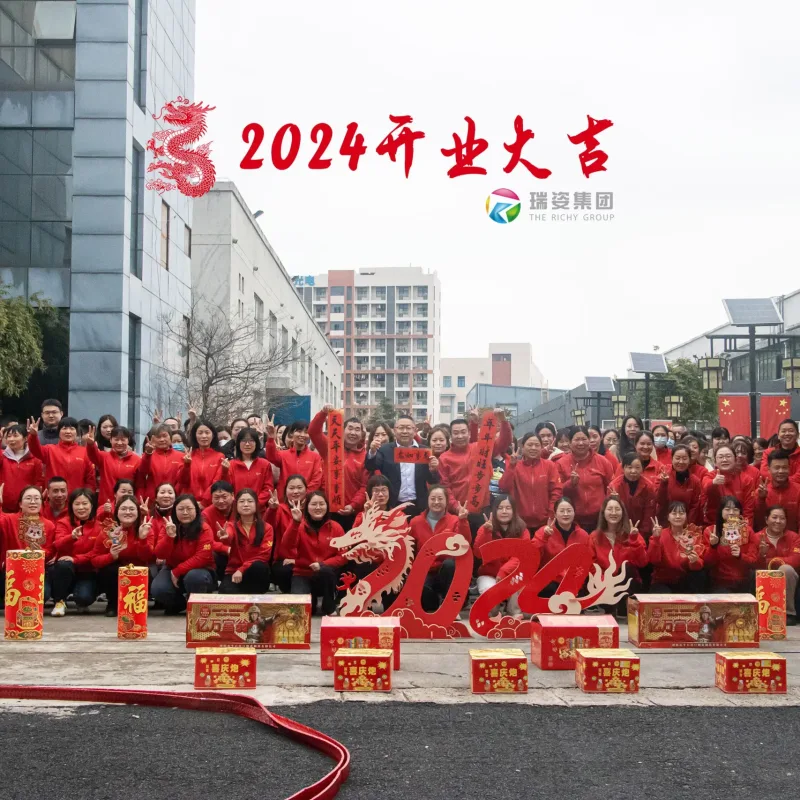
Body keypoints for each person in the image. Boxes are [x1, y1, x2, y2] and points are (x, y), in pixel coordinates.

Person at [437, 411, 512, 522]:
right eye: (456, 433)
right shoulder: (444, 458)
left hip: (483, 508)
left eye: (463, 432)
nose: (460, 436)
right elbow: (445, 487)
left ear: (469, 433)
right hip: (458, 511)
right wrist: (457, 508)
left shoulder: (480, 448)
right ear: (450, 436)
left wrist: (503, 420)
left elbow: (504, 442)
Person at [408, 485, 471, 613]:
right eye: (433, 498)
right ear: (428, 500)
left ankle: (450, 605)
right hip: (425, 571)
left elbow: (465, 543)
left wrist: (463, 522)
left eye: (440, 499)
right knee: (425, 601)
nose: (436, 502)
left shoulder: (454, 520)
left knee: (449, 564)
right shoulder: (415, 522)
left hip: (446, 570)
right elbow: (409, 550)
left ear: (447, 501)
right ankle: (437, 601)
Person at [285, 491, 347, 615]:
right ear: (307, 507)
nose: (318, 507)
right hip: (303, 573)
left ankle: (328, 606)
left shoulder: (336, 527)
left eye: (321, 504)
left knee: (327, 571)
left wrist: (323, 564)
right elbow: (287, 547)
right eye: (313, 504)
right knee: (301, 612)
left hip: (325, 574)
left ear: (327, 506)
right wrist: (295, 522)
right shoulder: (299, 526)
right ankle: (311, 602)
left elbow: (343, 556)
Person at [151, 494, 215, 614]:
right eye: (180, 509)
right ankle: (180, 603)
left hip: (200, 570)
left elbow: (202, 557)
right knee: (158, 589)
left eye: (189, 509)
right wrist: (169, 538)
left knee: (195, 577)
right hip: (172, 567)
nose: (185, 512)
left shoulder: (204, 529)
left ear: (196, 510)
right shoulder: (168, 527)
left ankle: (198, 605)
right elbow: (159, 553)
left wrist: (178, 571)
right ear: (174, 511)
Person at [91, 496, 154, 616]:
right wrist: (111, 556)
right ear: (117, 512)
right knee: (108, 570)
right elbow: (94, 559)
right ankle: (113, 604)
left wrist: (142, 540)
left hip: (139, 573)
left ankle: (137, 604)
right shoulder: (108, 531)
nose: (128, 512)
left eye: (132, 509)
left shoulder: (145, 528)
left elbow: (148, 557)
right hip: (116, 573)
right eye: (123, 509)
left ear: (137, 512)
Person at [365, 415, 438, 516]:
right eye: (401, 428)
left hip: (419, 505)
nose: (404, 431)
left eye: (408, 428)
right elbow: (371, 467)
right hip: (393, 505)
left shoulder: (424, 451)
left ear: (415, 430)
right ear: (395, 430)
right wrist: (372, 452)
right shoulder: (385, 450)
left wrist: (433, 470)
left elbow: (432, 480)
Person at [309, 405, 368, 530]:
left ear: (362, 434)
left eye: (357, 430)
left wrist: (353, 506)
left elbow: (365, 486)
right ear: (342, 430)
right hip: (328, 510)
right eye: (350, 428)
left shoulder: (366, 456)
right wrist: (323, 413)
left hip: (353, 513)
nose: (353, 432)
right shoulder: (329, 447)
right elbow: (313, 432)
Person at [589, 496, 648, 614]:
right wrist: (604, 583)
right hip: (603, 585)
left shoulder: (631, 533)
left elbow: (643, 562)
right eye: (610, 509)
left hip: (629, 584)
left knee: (626, 567)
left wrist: (634, 540)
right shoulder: (595, 536)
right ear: (603, 512)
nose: (614, 513)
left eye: (617, 509)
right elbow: (591, 565)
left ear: (623, 512)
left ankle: (624, 607)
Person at [472, 495, 530, 617]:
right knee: (491, 604)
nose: (504, 511)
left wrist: (504, 571)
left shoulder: (522, 529)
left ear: (514, 510)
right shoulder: (486, 527)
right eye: (500, 508)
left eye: (508, 508)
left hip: (513, 574)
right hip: (489, 574)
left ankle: (513, 615)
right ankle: (495, 614)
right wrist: (486, 533)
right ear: (494, 510)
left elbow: (523, 555)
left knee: (517, 595)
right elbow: (478, 553)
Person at [0, 486, 56, 601]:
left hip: (35, 572)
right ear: (20, 503)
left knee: (43, 595)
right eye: (28, 498)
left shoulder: (48, 525)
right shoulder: (9, 520)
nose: (33, 502)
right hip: (11, 572)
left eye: (37, 498)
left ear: (41, 502)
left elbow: (50, 551)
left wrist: (39, 552)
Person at [50, 488, 99, 616]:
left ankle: (80, 600)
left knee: (84, 598)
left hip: (87, 571)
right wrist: (70, 537)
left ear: (92, 505)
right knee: (63, 564)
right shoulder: (63, 522)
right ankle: (59, 601)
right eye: (77, 504)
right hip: (66, 569)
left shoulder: (99, 525)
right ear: (71, 506)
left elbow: (97, 552)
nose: (81, 507)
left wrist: (76, 559)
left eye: (85, 503)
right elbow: (57, 544)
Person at [498, 432, 561, 532]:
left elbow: (556, 491)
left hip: (544, 522)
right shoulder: (515, 466)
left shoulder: (549, 465)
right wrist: (511, 467)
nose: (533, 448)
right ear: (523, 447)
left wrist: (551, 514)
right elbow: (503, 486)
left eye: (537, 445)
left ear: (541, 448)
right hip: (519, 523)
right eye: (530, 445)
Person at [557, 426, 615, 531]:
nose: (580, 443)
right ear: (570, 443)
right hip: (572, 520)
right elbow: (557, 492)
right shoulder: (561, 463)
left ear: (589, 441)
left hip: (599, 519)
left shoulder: (603, 461)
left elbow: (611, 488)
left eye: (584, 439)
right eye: (576, 440)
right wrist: (571, 484)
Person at [219, 488, 274, 594]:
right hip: (234, 572)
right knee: (225, 593)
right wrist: (226, 535)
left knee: (259, 566)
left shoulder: (267, 528)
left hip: (255, 573)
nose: (245, 504)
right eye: (241, 501)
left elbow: (264, 556)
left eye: (250, 501)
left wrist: (242, 569)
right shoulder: (231, 525)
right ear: (236, 505)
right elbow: (229, 534)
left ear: (256, 504)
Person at [532, 496, 590, 597]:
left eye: (569, 510)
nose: (566, 514)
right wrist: (544, 538)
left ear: (574, 513)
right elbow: (532, 555)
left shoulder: (583, 535)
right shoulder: (544, 531)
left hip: (575, 581)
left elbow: (586, 562)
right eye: (562, 511)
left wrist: (575, 580)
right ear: (555, 514)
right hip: (550, 581)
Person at [648, 501, 706, 592]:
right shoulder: (660, 534)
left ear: (686, 516)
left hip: (684, 580)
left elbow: (699, 565)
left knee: (699, 575)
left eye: (681, 513)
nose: (678, 516)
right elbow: (654, 560)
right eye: (674, 513)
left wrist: (694, 561)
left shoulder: (692, 535)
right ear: (668, 517)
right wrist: (656, 539)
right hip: (662, 581)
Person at [27, 416, 95, 493]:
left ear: (77, 433)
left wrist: (87, 496)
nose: (68, 431)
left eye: (72, 429)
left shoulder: (85, 452)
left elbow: (90, 480)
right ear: (59, 432)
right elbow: (35, 449)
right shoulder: (49, 449)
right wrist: (33, 436)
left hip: (77, 500)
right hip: (54, 497)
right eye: (64, 428)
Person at [756, 505, 800, 624]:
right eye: (774, 517)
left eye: (782, 518)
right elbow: (753, 562)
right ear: (766, 520)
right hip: (763, 577)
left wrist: (772, 561)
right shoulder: (757, 537)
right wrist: (762, 556)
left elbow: (796, 559)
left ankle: (788, 613)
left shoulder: (794, 537)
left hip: (789, 577)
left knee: (786, 569)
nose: (778, 521)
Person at [703, 495, 757, 592]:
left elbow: (754, 561)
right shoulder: (711, 531)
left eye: (735, 509)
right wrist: (713, 546)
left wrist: (741, 556)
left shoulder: (748, 531)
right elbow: (707, 564)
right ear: (721, 512)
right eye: (727, 509)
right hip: (719, 583)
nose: (731, 513)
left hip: (744, 581)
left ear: (740, 512)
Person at [265, 474, 308, 593]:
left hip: (308, 560)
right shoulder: (280, 508)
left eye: (299, 487)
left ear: (306, 489)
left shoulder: (312, 509)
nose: (295, 491)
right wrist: (272, 509)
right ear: (285, 490)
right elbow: (268, 527)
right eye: (291, 488)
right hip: (284, 560)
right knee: (284, 570)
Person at [215, 427, 273, 511]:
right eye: (244, 441)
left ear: (256, 443)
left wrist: (255, 503)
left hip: (259, 510)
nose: (247, 444)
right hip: (236, 510)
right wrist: (224, 472)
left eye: (251, 441)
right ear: (238, 443)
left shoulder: (264, 464)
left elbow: (268, 488)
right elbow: (226, 488)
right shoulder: (231, 464)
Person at [266, 418, 323, 499]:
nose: (302, 435)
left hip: (305, 501)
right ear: (292, 433)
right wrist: (271, 438)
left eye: (306, 432)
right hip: (285, 499)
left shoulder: (315, 457)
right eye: (299, 431)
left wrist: (305, 495)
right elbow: (270, 456)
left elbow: (316, 480)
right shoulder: (283, 455)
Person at [85, 424, 140, 507]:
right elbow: (92, 454)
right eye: (116, 439)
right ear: (110, 440)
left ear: (128, 441)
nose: (119, 443)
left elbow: (139, 484)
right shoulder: (104, 457)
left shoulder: (137, 460)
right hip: (105, 505)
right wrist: (91, 444)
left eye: (123, 440)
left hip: (127, 505)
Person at [701, 444, 756, 525]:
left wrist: (746, 531)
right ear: (715, 462)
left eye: (728, 456)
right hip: (713, 525)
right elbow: (705, 487)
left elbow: (748, 510)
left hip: (738, 526)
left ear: (735, 459)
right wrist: (713, 483)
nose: (724, 460)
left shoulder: (746, 480)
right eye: (720, 457)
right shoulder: (710, 476)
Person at [608, 452, 657, 536]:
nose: (633, 471)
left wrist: (641, 534)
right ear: (623, 468)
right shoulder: (614, 486)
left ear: (642, 469)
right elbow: (609, 512)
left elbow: (649, 513)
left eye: (637, 467)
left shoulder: (649, 487)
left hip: (641, 531)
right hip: (619, 530)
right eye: (629, 467)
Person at [136, 423, 186, 504]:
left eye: (164, 436)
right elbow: (143, 472)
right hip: (152, 501)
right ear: (152, 439)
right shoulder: (147, 456)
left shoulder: (181, 457)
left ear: (170, 437)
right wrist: (148, 454)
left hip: (175, 500)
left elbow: (184, 480)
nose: (162, 439)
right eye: (158, 437)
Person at [0, 423, 43, 513]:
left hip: (27, 506)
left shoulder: (35, 458)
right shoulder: (2, 456)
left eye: (15, 436)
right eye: (9, 436)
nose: (11, 439)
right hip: (4, 506)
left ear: (25, 438)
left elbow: (39, 481)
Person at [656, 444, 703, 525]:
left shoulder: (695, 481)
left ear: (689, 460)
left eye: (684, 458)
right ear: (672, 458)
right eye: (677, 458)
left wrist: (688, 525)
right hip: (664, 523)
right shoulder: (663, 474)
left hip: (686, 524)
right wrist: (664, 483)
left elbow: (694, 507)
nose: (681, 462)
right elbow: (659, 501)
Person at [182, 420, 225, 507]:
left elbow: (216, 482)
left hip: (210, 504)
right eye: (200, 433)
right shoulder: (188, 455)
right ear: (195, 435)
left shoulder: (219, 456)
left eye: (207, 432)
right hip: (189, 503)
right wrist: (186, 465)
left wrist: (204, 502)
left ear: (213, 435)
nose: (204, 436)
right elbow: (183, 481)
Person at [754, 451, 800, 531]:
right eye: (777, 467)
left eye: (784, 467)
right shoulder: (761, 491)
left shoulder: (798, 490)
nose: (781, 471)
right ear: (769, 469)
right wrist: (761, 499)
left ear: (789, 468)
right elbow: (758, 521)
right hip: (766, 540)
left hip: (793, 540)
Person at [202, 480, 235, 581]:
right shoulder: (206, 514)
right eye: (216, 497)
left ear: (232, 495)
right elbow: (206, 541)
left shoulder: (241, 508)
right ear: (211, 498)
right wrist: (225, 549)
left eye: (224, 497)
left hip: (239, 553)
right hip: (218, 554)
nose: (220, 501)